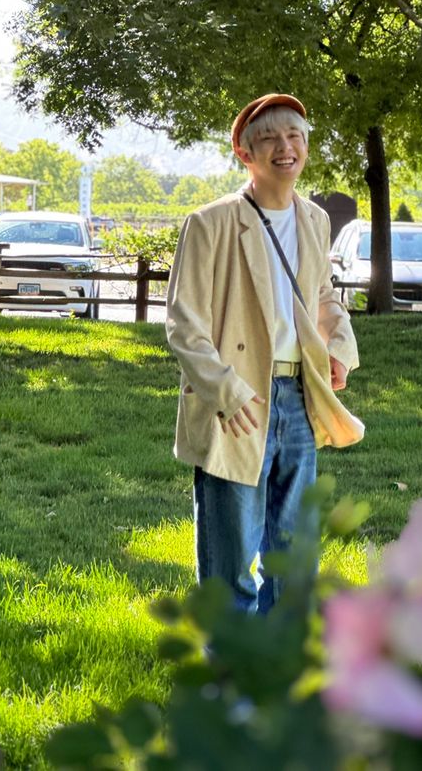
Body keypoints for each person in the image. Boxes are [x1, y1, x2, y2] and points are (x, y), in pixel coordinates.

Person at [166, 93, 363, 614]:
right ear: (244, 152)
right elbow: (185, 325)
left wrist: (338, 348)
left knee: (295, 557)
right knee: (231, 559)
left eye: (296, 136)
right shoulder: (210, 223)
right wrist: (227, 393)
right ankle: (230, 681)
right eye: (271, 138)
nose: (286, 147)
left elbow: (321, 297)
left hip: (299, 396)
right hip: (238, 401)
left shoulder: (316, 221)